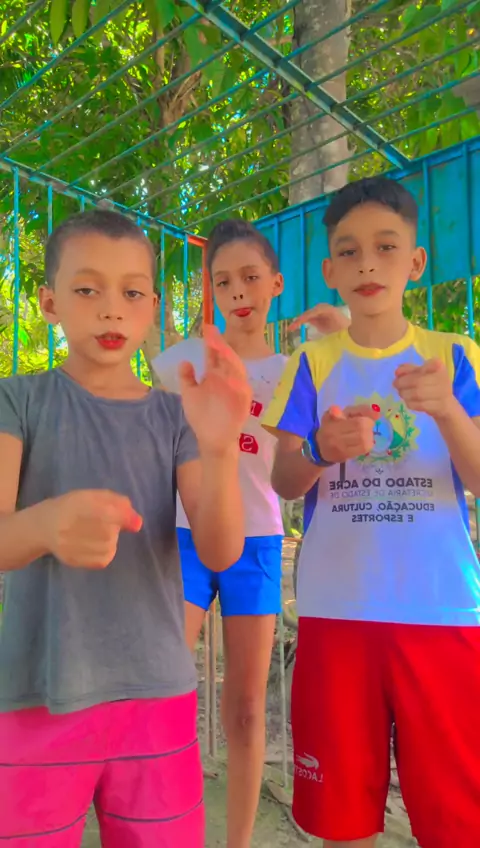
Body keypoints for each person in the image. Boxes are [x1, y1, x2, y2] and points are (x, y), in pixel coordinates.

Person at [0, 209, 252, 848]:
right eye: (88, 289)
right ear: (49, 302)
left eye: (133, 292)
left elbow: (221, 549)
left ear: (153, 308)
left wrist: (221, 449)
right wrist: (45, 525)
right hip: (38, 690)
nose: (112, 308)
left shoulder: (176, 415)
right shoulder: (17, 400)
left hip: (156, 692)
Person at [262, 176, 480, 848]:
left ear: (415, 262)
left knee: (457, 821)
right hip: (336, 615)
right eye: (349, 252)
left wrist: (448, 411)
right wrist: (320, 449)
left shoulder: (455, 355)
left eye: (386, 247)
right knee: (341, 821)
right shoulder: (312, 361)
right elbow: (285, 481)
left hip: (441, 612)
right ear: (329, 270)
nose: (367, 265)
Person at [153, 218, 349, 848]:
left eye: (250, 277)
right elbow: (146, 402)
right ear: (211, 291)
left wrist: (341, 330)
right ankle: (165, 828)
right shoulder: (190, 359)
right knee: (161, 689)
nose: (238, 291)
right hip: (184, 533)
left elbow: (348, 393)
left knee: (243, 710)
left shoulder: (296, 369)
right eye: (223, 281)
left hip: (259, 544)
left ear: (276, 284)